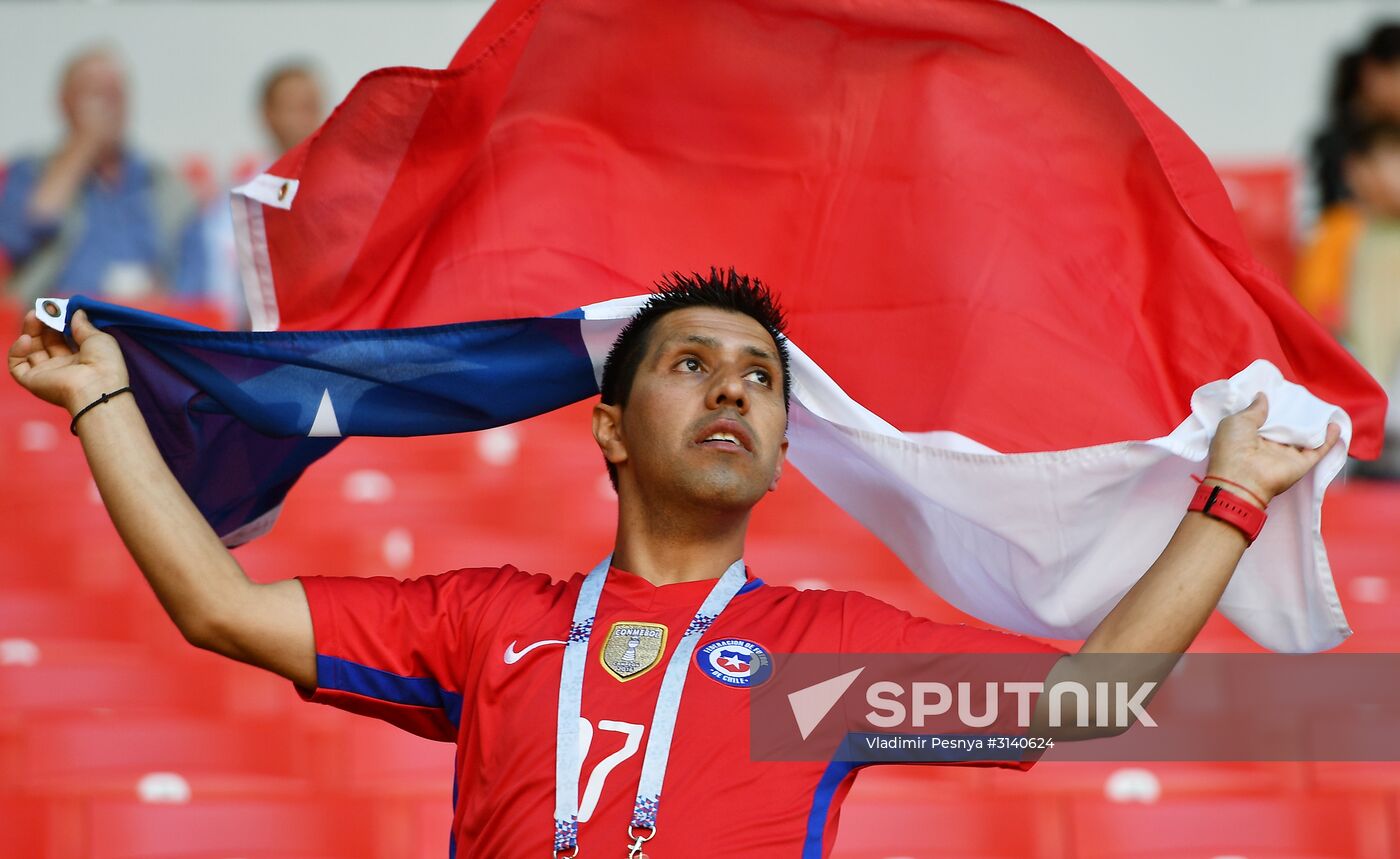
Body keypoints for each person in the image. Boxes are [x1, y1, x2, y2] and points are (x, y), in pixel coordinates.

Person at [6, 269, 1340, 856]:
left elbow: (1082, 705)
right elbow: (218, 604)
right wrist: (105, 400)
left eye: (760, 377)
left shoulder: (811, 665)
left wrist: (1228, 496)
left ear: (776, 447)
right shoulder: (487, 620)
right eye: (690, 364)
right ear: (608, 426)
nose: (733, 392)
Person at [0, 46, 196, 304]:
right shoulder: (30, 170)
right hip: (55, 326)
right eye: (95, 93)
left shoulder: (163, 182)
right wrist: (84, 145)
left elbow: (194, 279)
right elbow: (17, 237)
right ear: (64, 102)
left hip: (144, 324)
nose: (108, 105)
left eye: (116, 94)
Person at [174, 61, 326, 328]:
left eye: (312, 107)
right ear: (268, 114)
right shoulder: (234, 203)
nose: (307, 118)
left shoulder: (339, 192)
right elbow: (202, 292)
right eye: (295, 108)